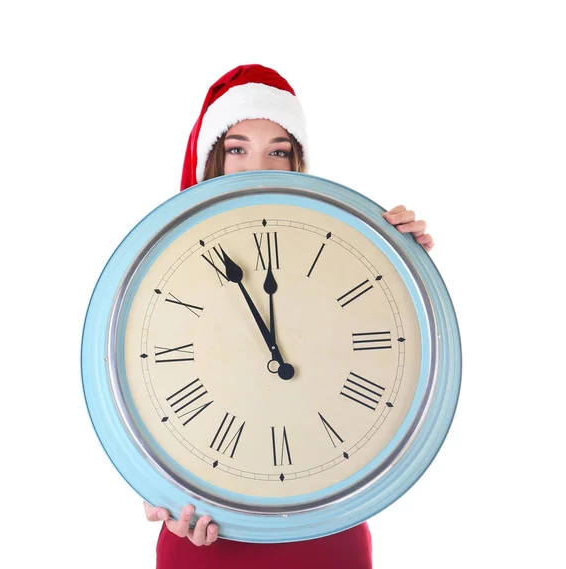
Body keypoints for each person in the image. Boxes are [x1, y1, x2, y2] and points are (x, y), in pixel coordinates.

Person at [143, 63, 434, 568]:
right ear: (211, 159)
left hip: (327, 527)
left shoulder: (342, 244)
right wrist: (153, 493)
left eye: (279, 150)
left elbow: (397, 350)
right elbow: (135, 397)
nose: (259, 163)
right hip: (206, 535)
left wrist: (406, 260)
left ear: (298, 162)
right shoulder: (158, 264)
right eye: (237, 148)